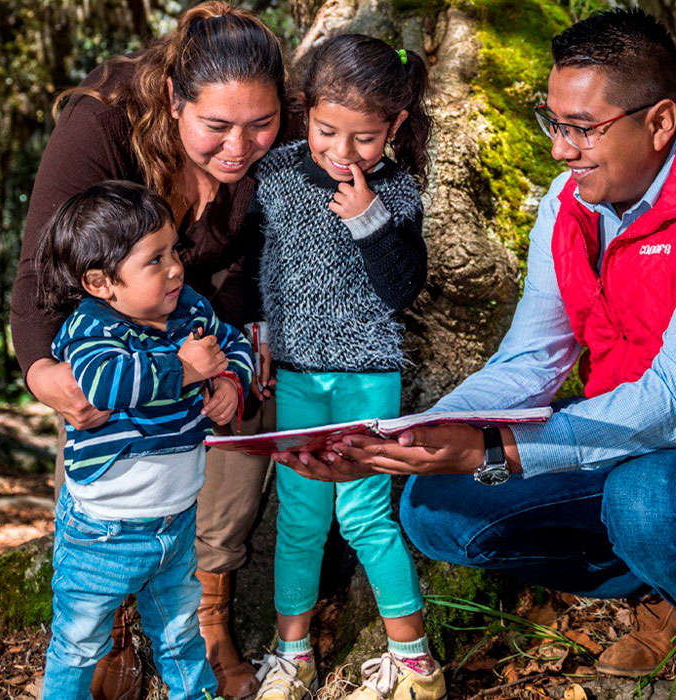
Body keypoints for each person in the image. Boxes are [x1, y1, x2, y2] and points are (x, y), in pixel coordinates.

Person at [279, 10, 676, 700]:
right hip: (638, 449)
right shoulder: (567, 203)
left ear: (658, 123)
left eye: (582, 129)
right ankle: (669, 585)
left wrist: (493, 449)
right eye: (553, 123)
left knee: (652, 501)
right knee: (436, 507)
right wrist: (413, 435)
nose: (561, 149)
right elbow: (529, 362)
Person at [9, 3, 284, 697]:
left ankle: (210, 609)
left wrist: (237, 372)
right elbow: (43, 269)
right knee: (110, 441)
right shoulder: (102, 122)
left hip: (205, 312)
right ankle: (106, 632)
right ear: (173, 97)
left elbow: (257, 263)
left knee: (246, 410)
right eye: (217, 126)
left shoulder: (280, 140)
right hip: (110, 323)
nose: (240, 146)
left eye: (261, 124)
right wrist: (43, 368)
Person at [247, 34, 441, 700]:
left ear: (394, 126)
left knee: (364, 516)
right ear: (305, 112)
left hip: (367, 378)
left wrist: (369, 220)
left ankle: (414, 663)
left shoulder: (396, 191)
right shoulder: (273, 175)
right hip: (296, 375)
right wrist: (258, 332)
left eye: (365, 138)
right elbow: (251, 265)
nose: (343, 151)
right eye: (328, 131)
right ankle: (292, 654)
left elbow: (401, 287)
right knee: (300, 516)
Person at [36, 180, 253, 699]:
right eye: (154, 260)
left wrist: (227, 381)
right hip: (101, 533)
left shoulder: (191, 310)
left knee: (180, 633)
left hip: (177, 523)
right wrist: (182, 369)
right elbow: (104, 384)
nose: (176, 267)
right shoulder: (92, 329)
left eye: (173, 250)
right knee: (79, 642)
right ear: (100, 282)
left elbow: (234, 342)